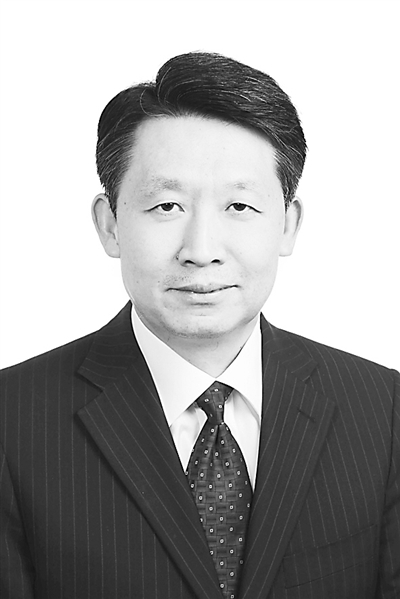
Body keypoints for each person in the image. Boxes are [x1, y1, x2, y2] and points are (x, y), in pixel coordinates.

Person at [0, 52, 399, 599]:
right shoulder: (12, 421)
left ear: (288, 225)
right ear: (109, 225)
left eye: (239, 206)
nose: (201, 249)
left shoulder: (383, 410)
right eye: (167, 206)